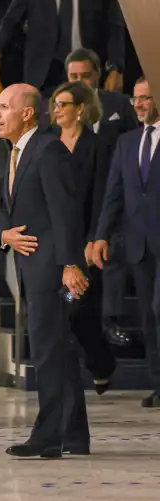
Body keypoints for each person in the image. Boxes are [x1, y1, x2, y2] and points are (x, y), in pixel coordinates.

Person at [0, 83, 90, 458]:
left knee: (50, 351)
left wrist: (70, 264)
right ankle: (74, 435)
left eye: (4, 107)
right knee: (58, 350)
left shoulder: (49, 150)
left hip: (52, 269)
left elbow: (65, 211)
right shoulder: (15, 153)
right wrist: (4, 234)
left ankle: (48, 434)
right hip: (29, 268)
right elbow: (5, 205)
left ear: (28, 113)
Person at [92, 77, 160, 408]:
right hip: (139, 243)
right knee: (149, 314)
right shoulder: (127, 142)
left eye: (146, 98)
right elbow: (113, 193)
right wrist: (102, 234)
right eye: (136, 99)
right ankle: (159, 383)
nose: (140, 104)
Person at [65, 48, 139, 347]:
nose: (80, 81)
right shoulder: (61, 108)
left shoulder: (120, 105)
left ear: (98, 75)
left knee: (112, 257)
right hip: (77, 200)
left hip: (114, 197)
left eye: (85, 75)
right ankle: (72, 315)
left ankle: (112, 322)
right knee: (77, 263)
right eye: (74, 76)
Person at [49, 81, 116, 393]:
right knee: (62, 309)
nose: (57, 109)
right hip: (55, 240)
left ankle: (100, 362)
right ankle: (73, 372)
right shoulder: (48, 143)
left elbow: (103, 192)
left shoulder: (98, 145)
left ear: (80, 109)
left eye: (64, 104)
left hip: (86, 244)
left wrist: (94, 237)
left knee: (78, 308)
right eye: (56, 104)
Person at [0, 0, 126, 95]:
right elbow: (13, 17)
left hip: (85, 72)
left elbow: (114, 24)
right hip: (44, 73)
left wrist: (116, 68)